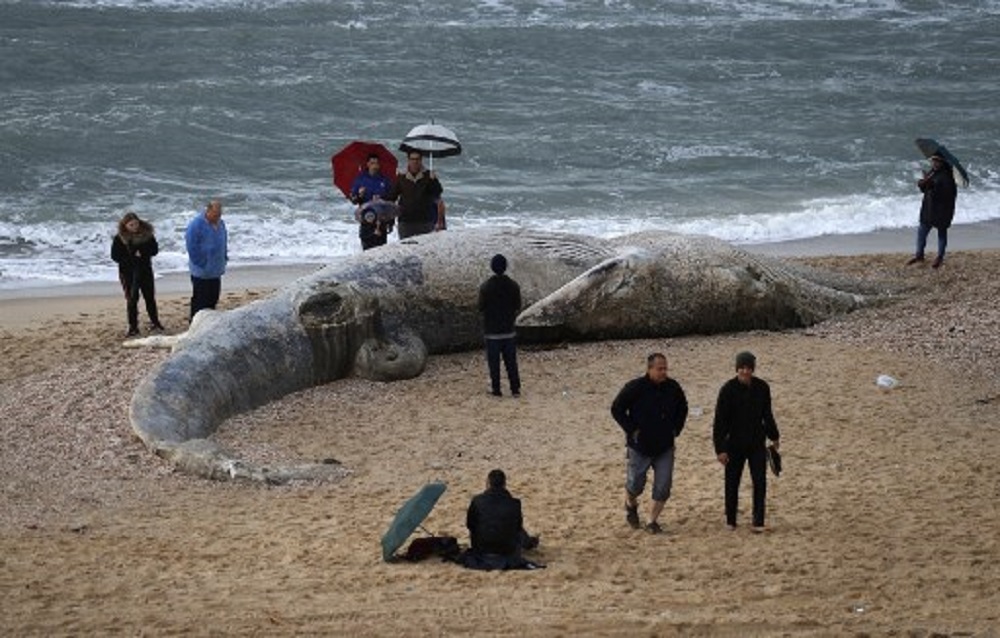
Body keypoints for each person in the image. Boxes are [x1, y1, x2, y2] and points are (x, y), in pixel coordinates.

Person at [610, 353, 688, 534]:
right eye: (659, 369)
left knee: (663, 486)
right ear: (650, 369)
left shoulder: (673, 387)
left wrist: (676, 429)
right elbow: (617, 408)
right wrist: (632, 429)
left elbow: (683, 408)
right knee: (635, 484)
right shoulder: (635, 387)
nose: (663, 372)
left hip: (665, 446)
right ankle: (630, 504)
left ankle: (651, 521)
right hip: (640, 446)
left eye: (665, 368)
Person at [712, 351, 781, 533]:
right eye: (742, 368)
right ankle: (731, 520)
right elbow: (719, 423)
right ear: (737, 369)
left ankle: (758, 521)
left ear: (753, 369)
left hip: (756, 442)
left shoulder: (762, 388)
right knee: (732, 482)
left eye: (749, 368)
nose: (745, 371)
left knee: (760, 481)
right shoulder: (727, 390)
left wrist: (774, 437)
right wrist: (720, 449)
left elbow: (767, 415)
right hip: (733, 444)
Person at [464, 469, 539, 569]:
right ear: (504, 484)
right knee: (514, 528)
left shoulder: (477, 501)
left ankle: (529, 542)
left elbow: (470, 525)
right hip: (507, 550)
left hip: (481, 548)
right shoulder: (514, 503)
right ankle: (529, 542)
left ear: (488, 483)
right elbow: (517, 528)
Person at [110, 212, 164, 337]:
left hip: (145, 269)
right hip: (128, 272)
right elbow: (115, 256)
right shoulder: (120, 238)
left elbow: (154, 250)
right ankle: (133, 326)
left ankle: (155, 322)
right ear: (125, 226)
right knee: (132, 299)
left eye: (136, 224)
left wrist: (143, 253)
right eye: (131, 225)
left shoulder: (147, 235)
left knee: (149, 297)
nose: (134, 227)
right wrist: (132, 256)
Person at [478, 254, 521, 397]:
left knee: (494, 363)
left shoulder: (485, 287)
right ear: (505, 267)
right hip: (509, 330)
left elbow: (480, 307)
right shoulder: (514, 285)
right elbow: (517, 305)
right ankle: (515, 389)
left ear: (492, 267)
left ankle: (496, 389)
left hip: (492, 332)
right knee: (511, 362)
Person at [907, 153, 958, 269]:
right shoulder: (932, 172)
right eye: (933, 161)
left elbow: (947, 195)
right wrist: (922, 184)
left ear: (942, 163)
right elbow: (925, 189)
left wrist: (931, 185)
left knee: (941, 234)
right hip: (928, 208)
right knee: (921, 232)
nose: (934, 163)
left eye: (937, 161)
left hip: (942, 211)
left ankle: (940, 257)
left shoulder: (947, 177)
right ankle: (919, 255)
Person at [185, 200, 228, 322]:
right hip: (201, 271)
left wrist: (224, 257)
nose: (217, 217)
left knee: (213, 298)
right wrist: (201, 263)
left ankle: (208, 322)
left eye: (219, 214)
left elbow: (224, 240)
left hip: (216, 269)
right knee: (200, 300)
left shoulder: (221, 223)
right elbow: (191, 246)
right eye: (215, 215)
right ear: (208, 211)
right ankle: (195, 322)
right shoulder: (196, 224)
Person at [385, 151, 443, 238]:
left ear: (421, 160)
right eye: (412, 159)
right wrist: (390, 220)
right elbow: (392, 197)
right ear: (408, 160)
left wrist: (433, 180)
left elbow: (437, 192)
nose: (415, 162)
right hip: (405, 220)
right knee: (405, 249)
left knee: (424, 249)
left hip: (425, 220)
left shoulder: (428, 176)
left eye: (417, 159)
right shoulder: (401, 177)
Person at [349, 153, 394, 250]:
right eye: (372, 163)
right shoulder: (360, 180)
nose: (375, 165)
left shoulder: (384, 180)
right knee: (367, 252)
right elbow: (354, 200)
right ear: (367, 164)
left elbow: (391, 201)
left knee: (381, 252)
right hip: (366, 220)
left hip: (381, 221)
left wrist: (391, 222)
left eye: (377, 163)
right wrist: (359, 195)